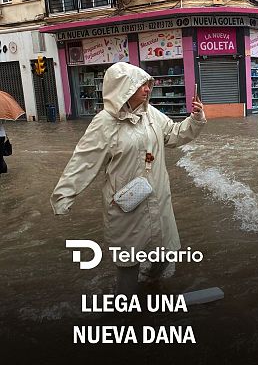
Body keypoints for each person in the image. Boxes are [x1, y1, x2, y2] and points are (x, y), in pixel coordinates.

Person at [50, 62, 206, 296]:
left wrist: (194, 120)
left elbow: (173, 135)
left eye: (147, 84)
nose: (147, 89)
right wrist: (64, 195)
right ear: (123, 88)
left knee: (165, 252)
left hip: (158, 197)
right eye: (140, 84)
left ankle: (151, 284)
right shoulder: (104, 122)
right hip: (126, 204)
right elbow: (83, 161)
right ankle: (126, 312)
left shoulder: (150, 114)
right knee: (129, 263)